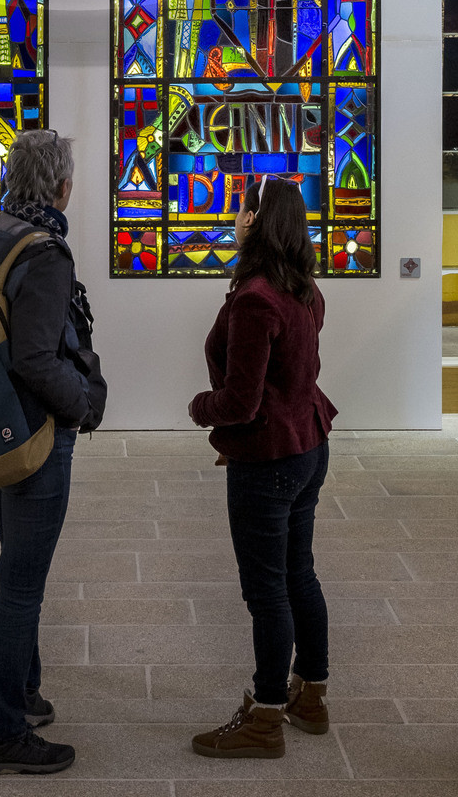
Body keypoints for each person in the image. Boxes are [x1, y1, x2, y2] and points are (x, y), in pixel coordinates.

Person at [0, 127, 106, 777]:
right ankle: (4, 734)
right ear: (62, 185)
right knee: (20, 589)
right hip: (34, 439)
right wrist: (85, 404)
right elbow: (39, 358)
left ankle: (27, 692)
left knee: (16, 572)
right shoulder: (45, 253)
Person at [186, 177, 337, 760]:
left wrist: (200, 409)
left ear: (258, 220)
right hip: (308, 446)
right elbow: (286, 382)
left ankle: (266, 715)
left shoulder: (254, 299)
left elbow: (241, 402)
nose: (234, 216)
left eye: (240, 208)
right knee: (299, 574)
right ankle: (311, 696)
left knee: (266, 591)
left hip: (270, 460)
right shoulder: (304, 290)